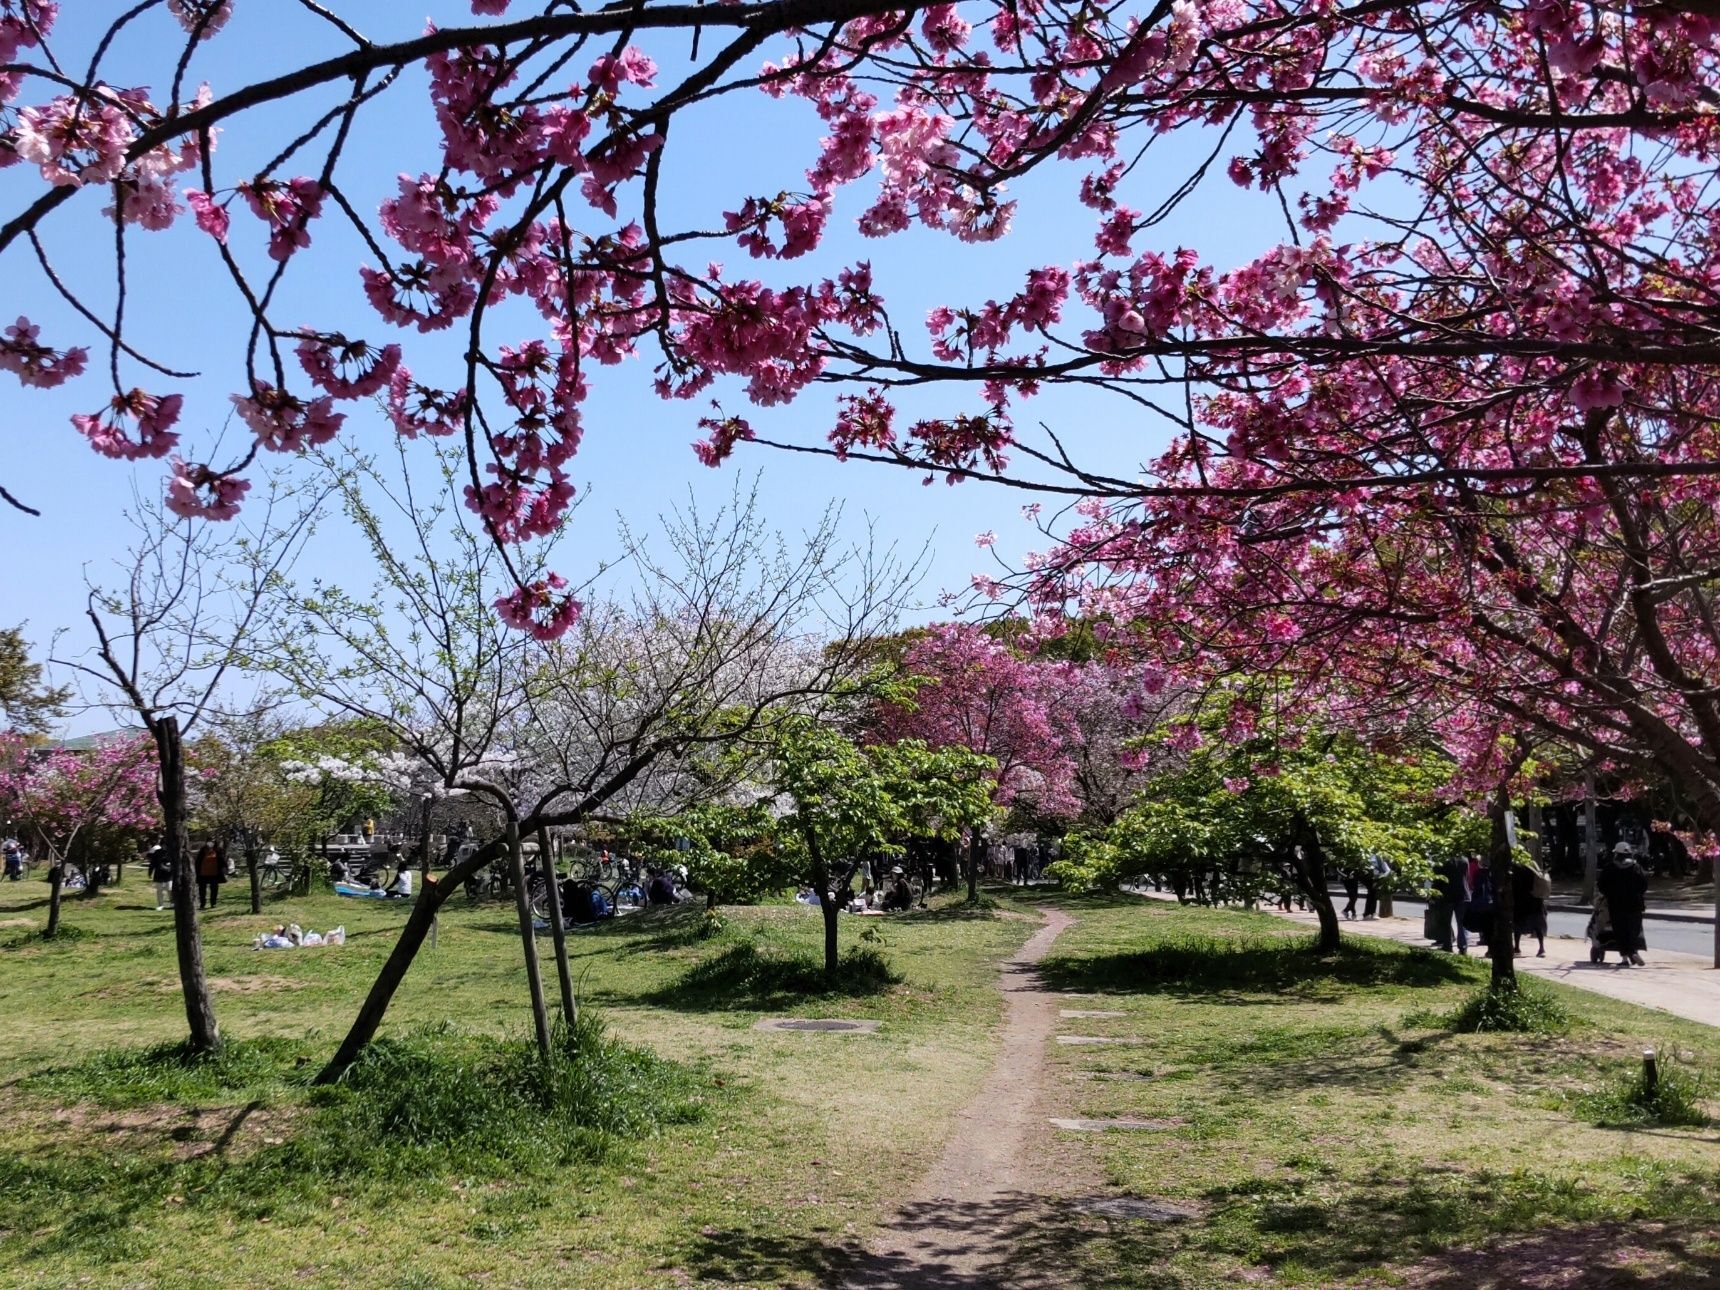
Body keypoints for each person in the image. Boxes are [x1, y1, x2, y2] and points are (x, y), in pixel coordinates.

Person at [1597, 842, 1648, 966]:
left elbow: (1601, 885)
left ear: (1616, 854)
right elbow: (1644, 885)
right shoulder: (1636, 867)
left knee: (1620, 931)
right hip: (1635, 905)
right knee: (1633, 930)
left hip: (1616, 905)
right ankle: (1633, 951)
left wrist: (1609, 894)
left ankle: (1625, 958)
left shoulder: (1610, 868)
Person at [1512, 855, 1550, 958]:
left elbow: (1514, 884)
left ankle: (1517, 948)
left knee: (1518, 924)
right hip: (1536, 901)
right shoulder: (1533, 865)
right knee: (1537, 925)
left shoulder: (1516, 867)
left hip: (1521, 900)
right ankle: (1541, 948)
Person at [195, 840, 224, 909]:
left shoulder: (217, 850)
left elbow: (222, 860)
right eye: (209, 841)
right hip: (203, 874)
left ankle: (213, 903)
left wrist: (224, 868)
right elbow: (198, 861)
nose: (210, 843)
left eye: (212, 842)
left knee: (214, 889)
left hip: (214, 874)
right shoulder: (202, 850)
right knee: (202, 890)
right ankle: (202, 904)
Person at [147, 843, 173, 911]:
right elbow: (152, 863)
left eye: (166, 845)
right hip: (159, 873)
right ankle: (160, 905)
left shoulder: (172, 852)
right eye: (163, 845)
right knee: (159, 890)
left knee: (169, 888)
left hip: (169, 874)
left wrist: (168, 868)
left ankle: (172, 903)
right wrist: (150, 872)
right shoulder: (157, 852)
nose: (165, 846)